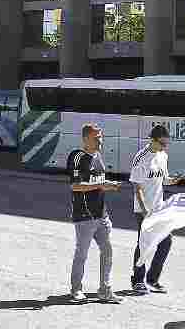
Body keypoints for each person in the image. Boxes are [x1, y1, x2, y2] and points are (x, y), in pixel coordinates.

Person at [68, 123, 121, 304]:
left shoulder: (98, 156)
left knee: (107, 251)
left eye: (101, 137)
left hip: (101, 215)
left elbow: (98, 180)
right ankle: (76, 290)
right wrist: (100, 185)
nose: (100, 141)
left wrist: (109, 184)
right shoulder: (78, 157)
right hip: (84, 216)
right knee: (81, 254)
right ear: (85, 139)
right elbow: (75, 186)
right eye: (96, 138)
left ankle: (104, 289)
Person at [129, 124, 182, 293]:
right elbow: (136, 186)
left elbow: (163, 179)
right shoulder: (141, 157)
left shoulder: (162, 155)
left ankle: (152, 279)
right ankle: (138, 280)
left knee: (166, 242)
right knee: (144, 244)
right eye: (161, 143)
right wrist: (145, 211)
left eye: (166, 144)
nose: (164, 147)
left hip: (159, 208)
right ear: (152, 140)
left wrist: (171, 180)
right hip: (143, 210)